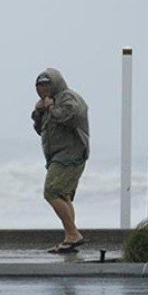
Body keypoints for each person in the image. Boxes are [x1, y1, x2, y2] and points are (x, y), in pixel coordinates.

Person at [31, 67, 90, 254]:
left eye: (47, 85)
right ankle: (70, 238)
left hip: (70, 154)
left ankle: (73, 234)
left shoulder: (67, 97)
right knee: (63, 195)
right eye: (40, 86)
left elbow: (70, 115)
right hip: (58, 156)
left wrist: (50, 107)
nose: (43, 90)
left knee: (52, 191)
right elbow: (42, 129)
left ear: (56, 83)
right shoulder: (51, 102)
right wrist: (39, 112)